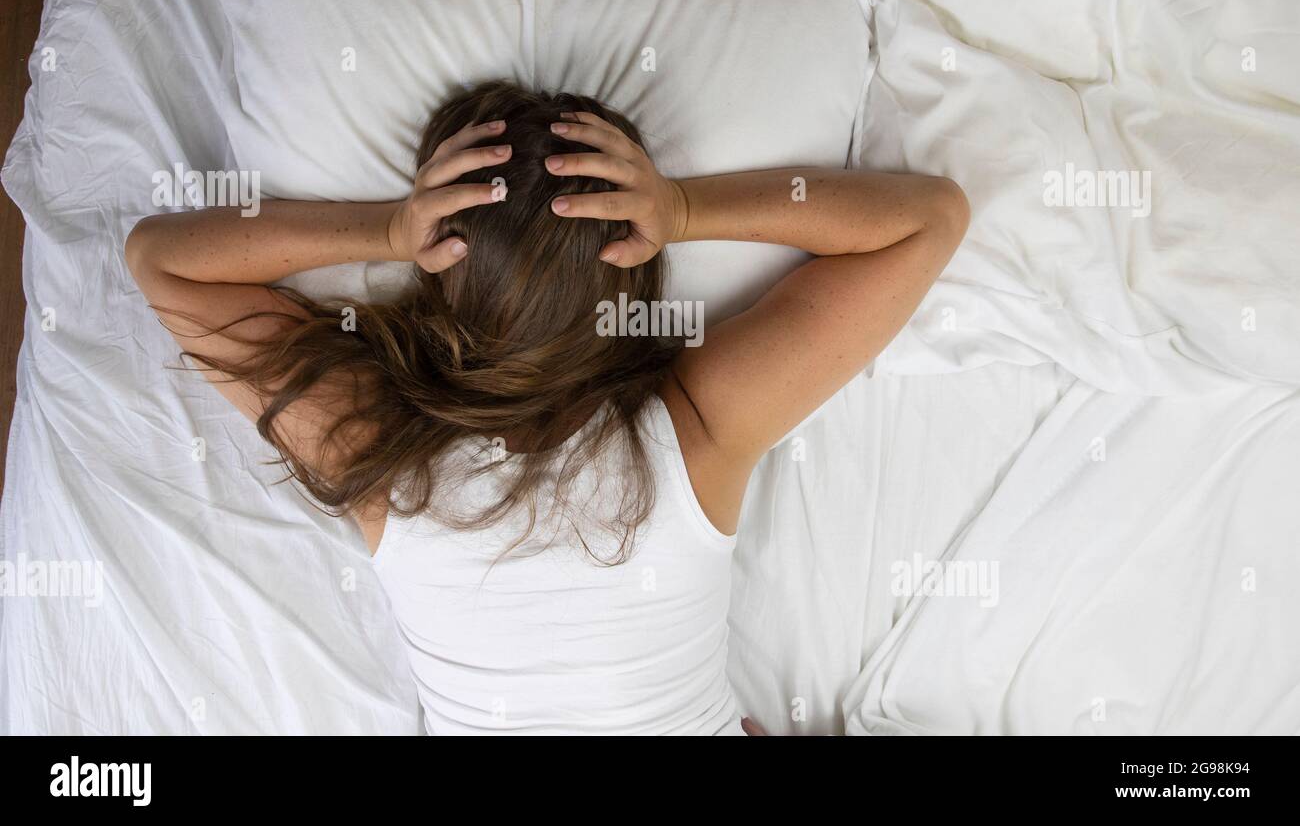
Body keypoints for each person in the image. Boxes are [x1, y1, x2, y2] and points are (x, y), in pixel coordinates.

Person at [125, 81, 968, 734]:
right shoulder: (695, 428)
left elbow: (162, 260)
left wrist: (381, 228)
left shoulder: (383, 456)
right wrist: (682, 207)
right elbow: (928, 219)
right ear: (634, 278)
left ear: (437, 282)